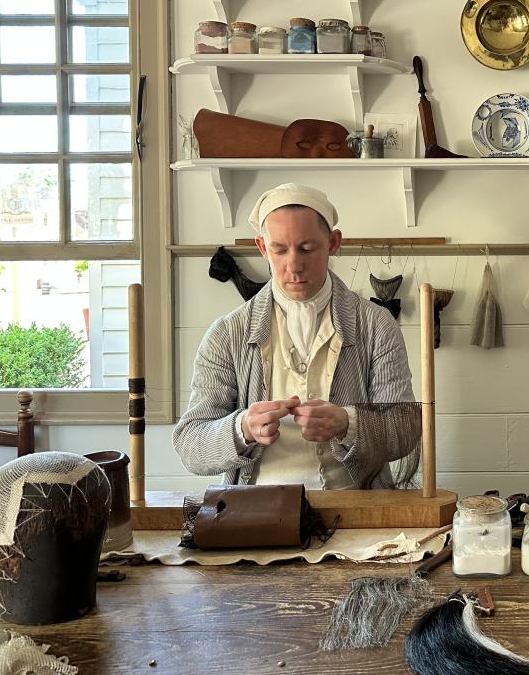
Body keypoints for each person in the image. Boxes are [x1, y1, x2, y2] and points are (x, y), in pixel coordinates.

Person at [173, 183, 420, 488]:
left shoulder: (376, 325)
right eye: (279, 249)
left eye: (307, 249)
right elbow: (191, 445)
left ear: (333, 242)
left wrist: (348, 423)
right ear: (263, 247)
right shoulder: (227, 334)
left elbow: (406, 428)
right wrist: (243, 429)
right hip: (256, 510)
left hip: (358, 506)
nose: (294, 265)